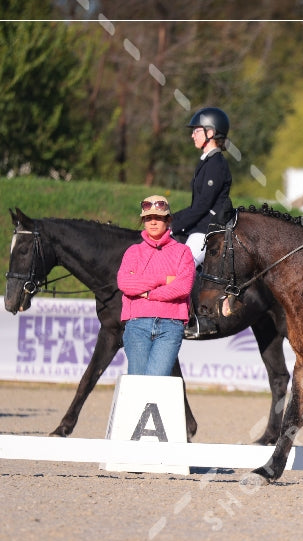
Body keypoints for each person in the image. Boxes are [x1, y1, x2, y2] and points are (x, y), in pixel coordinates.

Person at [170, 107, 233, 338]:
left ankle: (202, 319)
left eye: (196, 131)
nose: (192, 135)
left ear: (210, 132)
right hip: (199, 227)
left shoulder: (216, 164)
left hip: (209, 230)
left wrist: (173, 224)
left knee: (184, 263)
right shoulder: (206, 161)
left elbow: (202, 206)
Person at [117, 196, 195, 376]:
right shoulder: (133, 251)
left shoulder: (183, 251)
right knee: (138, 383)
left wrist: (147, 293)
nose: (153, 222)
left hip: (171, 325)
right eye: (148, 218)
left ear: (168, 220)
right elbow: (125, 283)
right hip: (137, 324)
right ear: (143, 220)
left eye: (159, 218)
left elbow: (182, 287)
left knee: (156, 384)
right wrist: (165, 279)